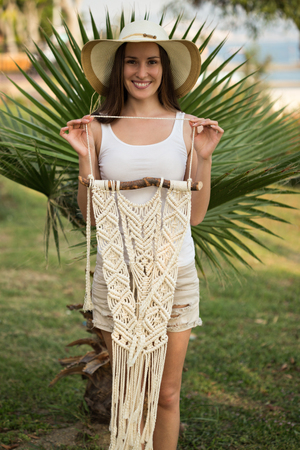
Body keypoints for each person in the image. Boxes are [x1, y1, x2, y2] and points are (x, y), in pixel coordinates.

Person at [60, 20, 224, 450]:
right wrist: (84, 158)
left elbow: (196, 217)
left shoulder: (189, 129)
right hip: (117, 277)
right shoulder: (96, 128)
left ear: (164, 70)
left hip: (175, 272)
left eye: (152, 62)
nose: (142, 71)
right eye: (132, 61)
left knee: (166, 393)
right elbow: (90, 216)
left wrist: (203, 158)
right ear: (119, 69)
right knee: (131, 389)